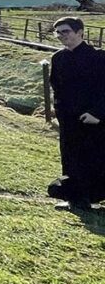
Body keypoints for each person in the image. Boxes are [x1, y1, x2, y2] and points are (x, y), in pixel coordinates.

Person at [48, 16, 105, 210]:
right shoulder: (58, 58)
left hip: (94, 120)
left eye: (66, 31)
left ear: (80, 32)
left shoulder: (98, 57)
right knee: (71, 158)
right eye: (58, 32)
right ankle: (74, 199)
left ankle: (92, 198)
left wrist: (98, 113)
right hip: (69, 120)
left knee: (95, 158)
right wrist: (59, 111)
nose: (62, 36)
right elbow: (56, 86)